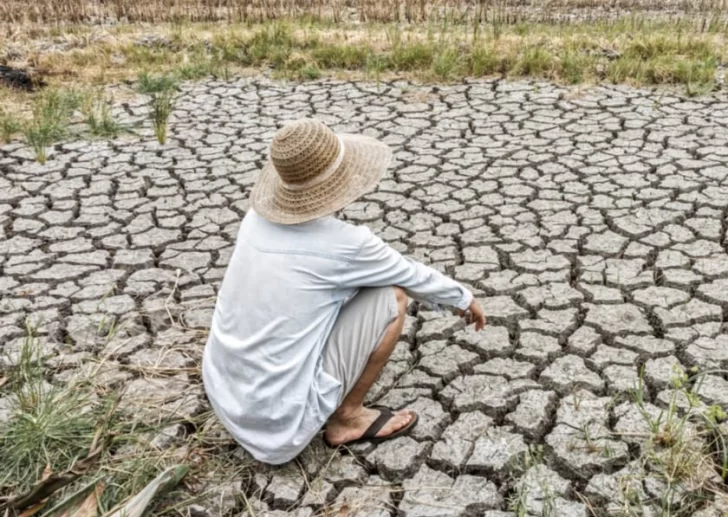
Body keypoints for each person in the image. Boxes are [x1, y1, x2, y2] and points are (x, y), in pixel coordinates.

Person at [202, 118, 486, 465]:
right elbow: (410, 275)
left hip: (225, 394)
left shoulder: (254, 219)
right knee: (391, 296)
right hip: (278, 428)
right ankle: (348, 418)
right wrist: (464, 298)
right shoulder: (347, 244)